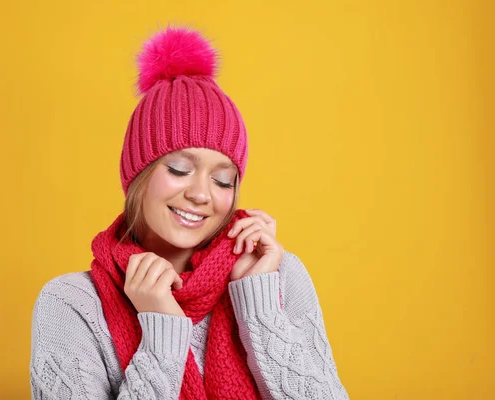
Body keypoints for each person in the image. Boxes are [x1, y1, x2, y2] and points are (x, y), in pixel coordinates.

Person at [30, 26, 349, 400]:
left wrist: (260, 304)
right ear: (139, 176)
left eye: (223, 180)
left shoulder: (278, 276)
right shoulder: (71, 304)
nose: (200, 194)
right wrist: (161, 330)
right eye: (179, 169)